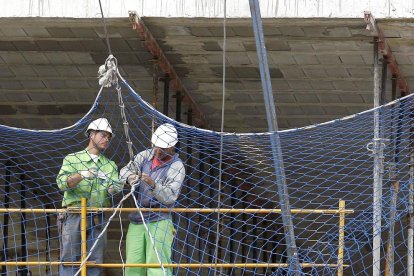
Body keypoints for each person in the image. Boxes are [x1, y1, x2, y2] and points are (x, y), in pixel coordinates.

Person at [56, 118, 122, 276]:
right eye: (103, 135)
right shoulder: (72, 159)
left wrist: (115, 188)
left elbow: (112, 188)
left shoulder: (110, 165)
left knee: (95, 261)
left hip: (97, 215)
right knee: (70, 259)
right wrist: (82, 175)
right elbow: (61, 183)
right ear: (91, 134)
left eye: (108, 137)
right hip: (74, 214)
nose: (106, 139)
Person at [120, 123, 185, 276]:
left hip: (159, 220)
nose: (157, 150)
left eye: (161, 148)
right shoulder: (144, 156)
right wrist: (130, 177)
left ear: (171, 147)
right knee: (133, 267)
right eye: (156, 146)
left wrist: (153, 184)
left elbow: (170, 196)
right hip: (137, 220)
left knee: (157, 267)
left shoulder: (176, 166)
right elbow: (124, 171)